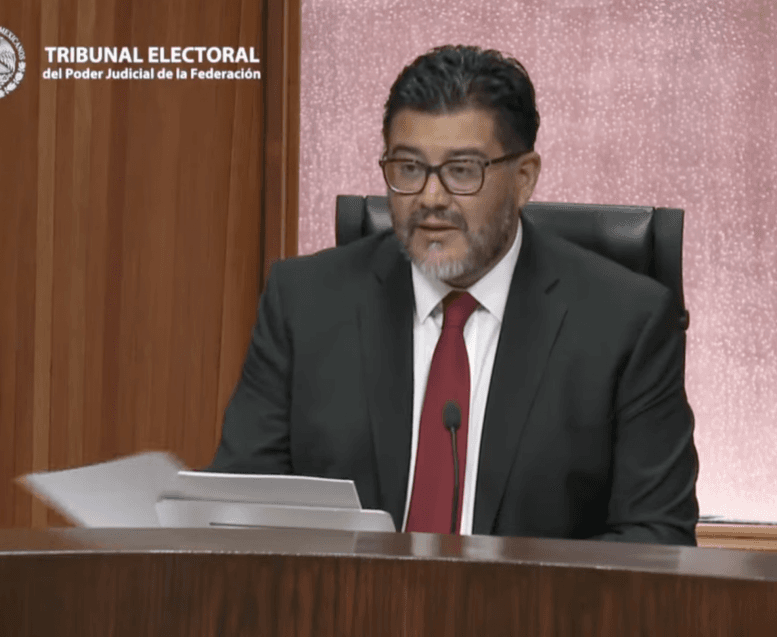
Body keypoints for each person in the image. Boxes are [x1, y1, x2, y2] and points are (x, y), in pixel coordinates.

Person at [210, 45, 699, 544]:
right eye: (408, 168)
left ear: (524, 179)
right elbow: (238, 512)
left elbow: (656, 540)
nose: (430, 198)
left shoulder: (624, 324)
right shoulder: (305, 304)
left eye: (462, 170)